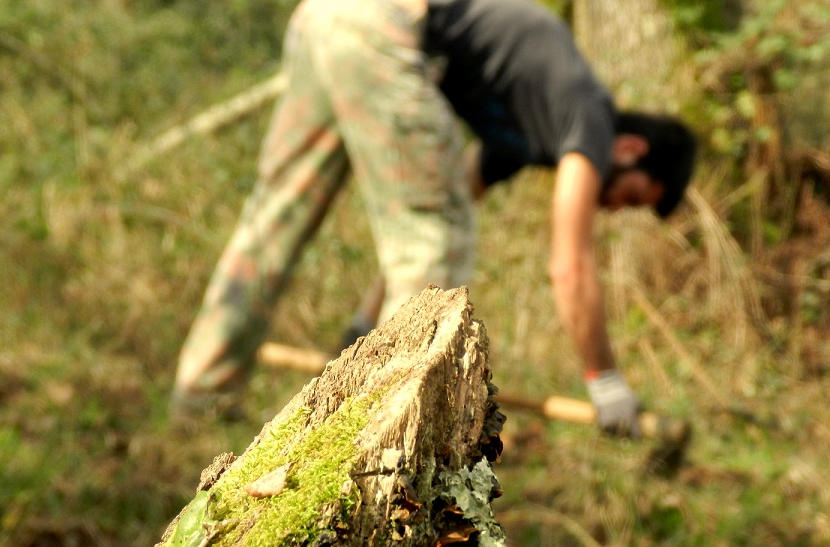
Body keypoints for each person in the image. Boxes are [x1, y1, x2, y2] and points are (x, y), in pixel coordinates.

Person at [170, 0, 697, 436]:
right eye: (629, 196)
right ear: (630, 147)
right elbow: (569, 265)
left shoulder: (524, 128)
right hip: (385, 26)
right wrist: (604, 380)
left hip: (330, 18)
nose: (612, 209)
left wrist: (363, 325)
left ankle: (201, 399)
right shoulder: (589, 115)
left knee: (278, 216)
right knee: (439, 235)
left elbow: (427, 215)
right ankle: (369, 436)